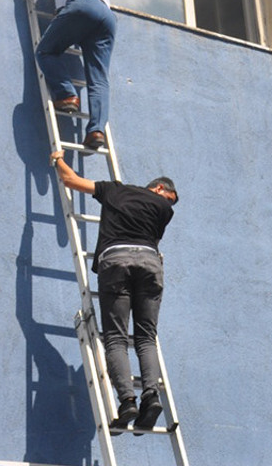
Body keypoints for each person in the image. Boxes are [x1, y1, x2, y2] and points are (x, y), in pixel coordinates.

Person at [51, 149, 179, 431]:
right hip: (149, 263)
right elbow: (151, 239)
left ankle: (127, 401)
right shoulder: (163, 210)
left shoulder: (113, 190)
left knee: (116, 338)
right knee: (146, 337)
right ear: (158, 188)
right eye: (167, 196)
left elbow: (71, 181)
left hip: (116, 262)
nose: (168, 204)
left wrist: (57, 159)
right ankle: (151, 395)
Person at [9, 0, 115, 151]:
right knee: (99, 79)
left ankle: (67, 95)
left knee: (45, 50)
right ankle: (96, 131)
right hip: (107, 18)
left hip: (81, 5)